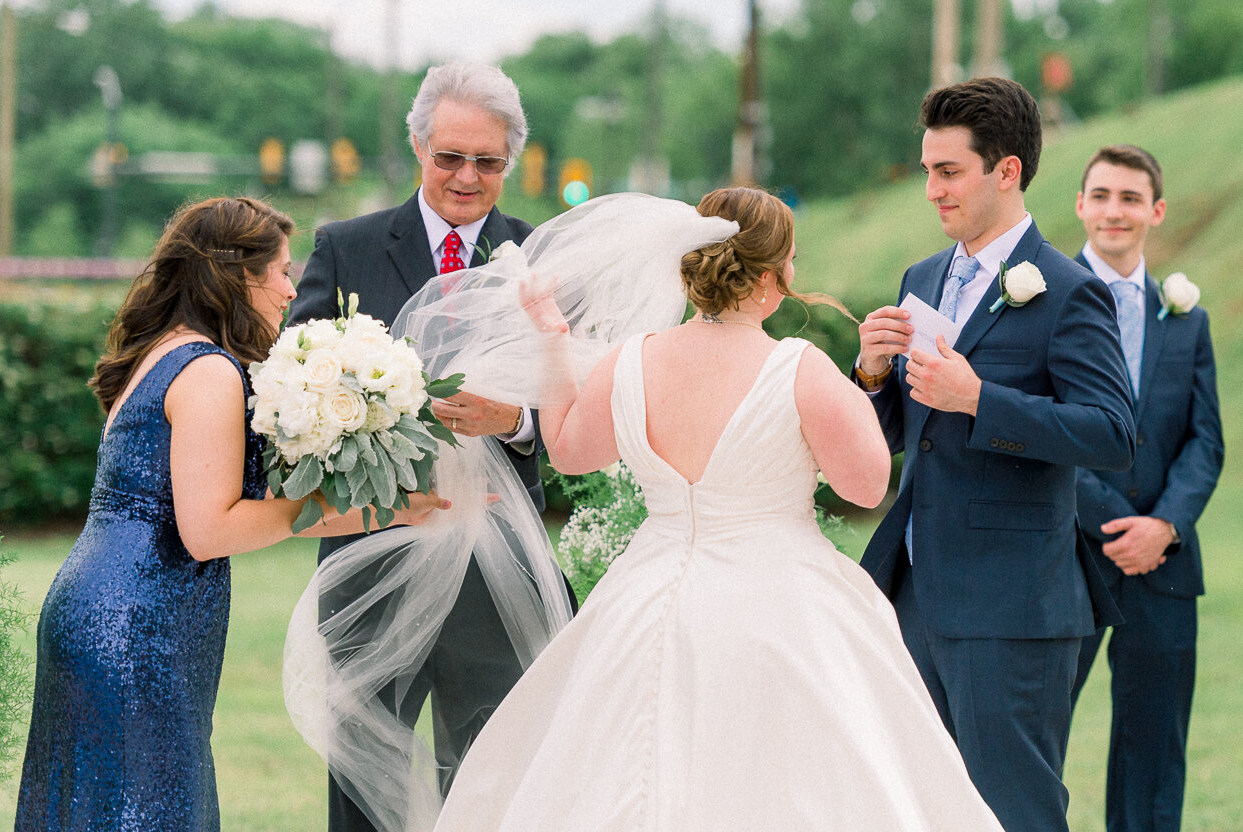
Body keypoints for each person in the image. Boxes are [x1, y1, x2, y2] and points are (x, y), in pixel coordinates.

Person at [426, 187, 1006, 831]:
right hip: (781, 599)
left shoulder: (631, 360)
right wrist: (869, 377)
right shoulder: (799, 367)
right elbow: (867, 486)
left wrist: (557, 342)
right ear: (771, 275)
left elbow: (566, 450)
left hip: (648, 593)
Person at [13, 197, 444, 832]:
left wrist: (390, 510)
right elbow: (211, 528)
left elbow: (260, 511)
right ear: (241, 276)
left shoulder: (165, 351)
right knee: (149, 808)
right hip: (136, 625)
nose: (291, 290)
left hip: (107, 606)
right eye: (282, 272)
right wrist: (335, 499)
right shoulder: (209, 371)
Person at [284, 62, 563, 832]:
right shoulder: (347, 247)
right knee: (362, 775)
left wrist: (514, 419)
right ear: (417, 147)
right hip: (370, 554)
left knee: (488, 774)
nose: (467, 177)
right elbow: (294, 384)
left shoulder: (540, 257)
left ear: (509, 162)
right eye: (450, 157)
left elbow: (575, 399)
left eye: (488, 161)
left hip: (494, 563)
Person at [853, 77, 1136, 832]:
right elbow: (900, 436)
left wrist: (981, 399)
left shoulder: (1070, 291)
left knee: (1015, 814)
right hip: (913, 593)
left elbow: (1111, 432)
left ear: (1006, 171)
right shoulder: (922, 278)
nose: (931, 191)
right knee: (921, 812)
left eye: (948, 173)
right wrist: (874, 376)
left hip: (1012, 605)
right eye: (927, 171)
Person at [1070, 144, 1223, 832]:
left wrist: (1164, 526)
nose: (1114, 211)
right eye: (1101, 195)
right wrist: (1111, 523)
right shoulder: (1040, 300)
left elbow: (1206, 440)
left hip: (1163, 564)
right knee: (1033, 742)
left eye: (1131, 198)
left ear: (1155, 212)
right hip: (1066, 557)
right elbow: (1032, 432)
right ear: (1080, 205)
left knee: (1155, 753)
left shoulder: (1186, 318)